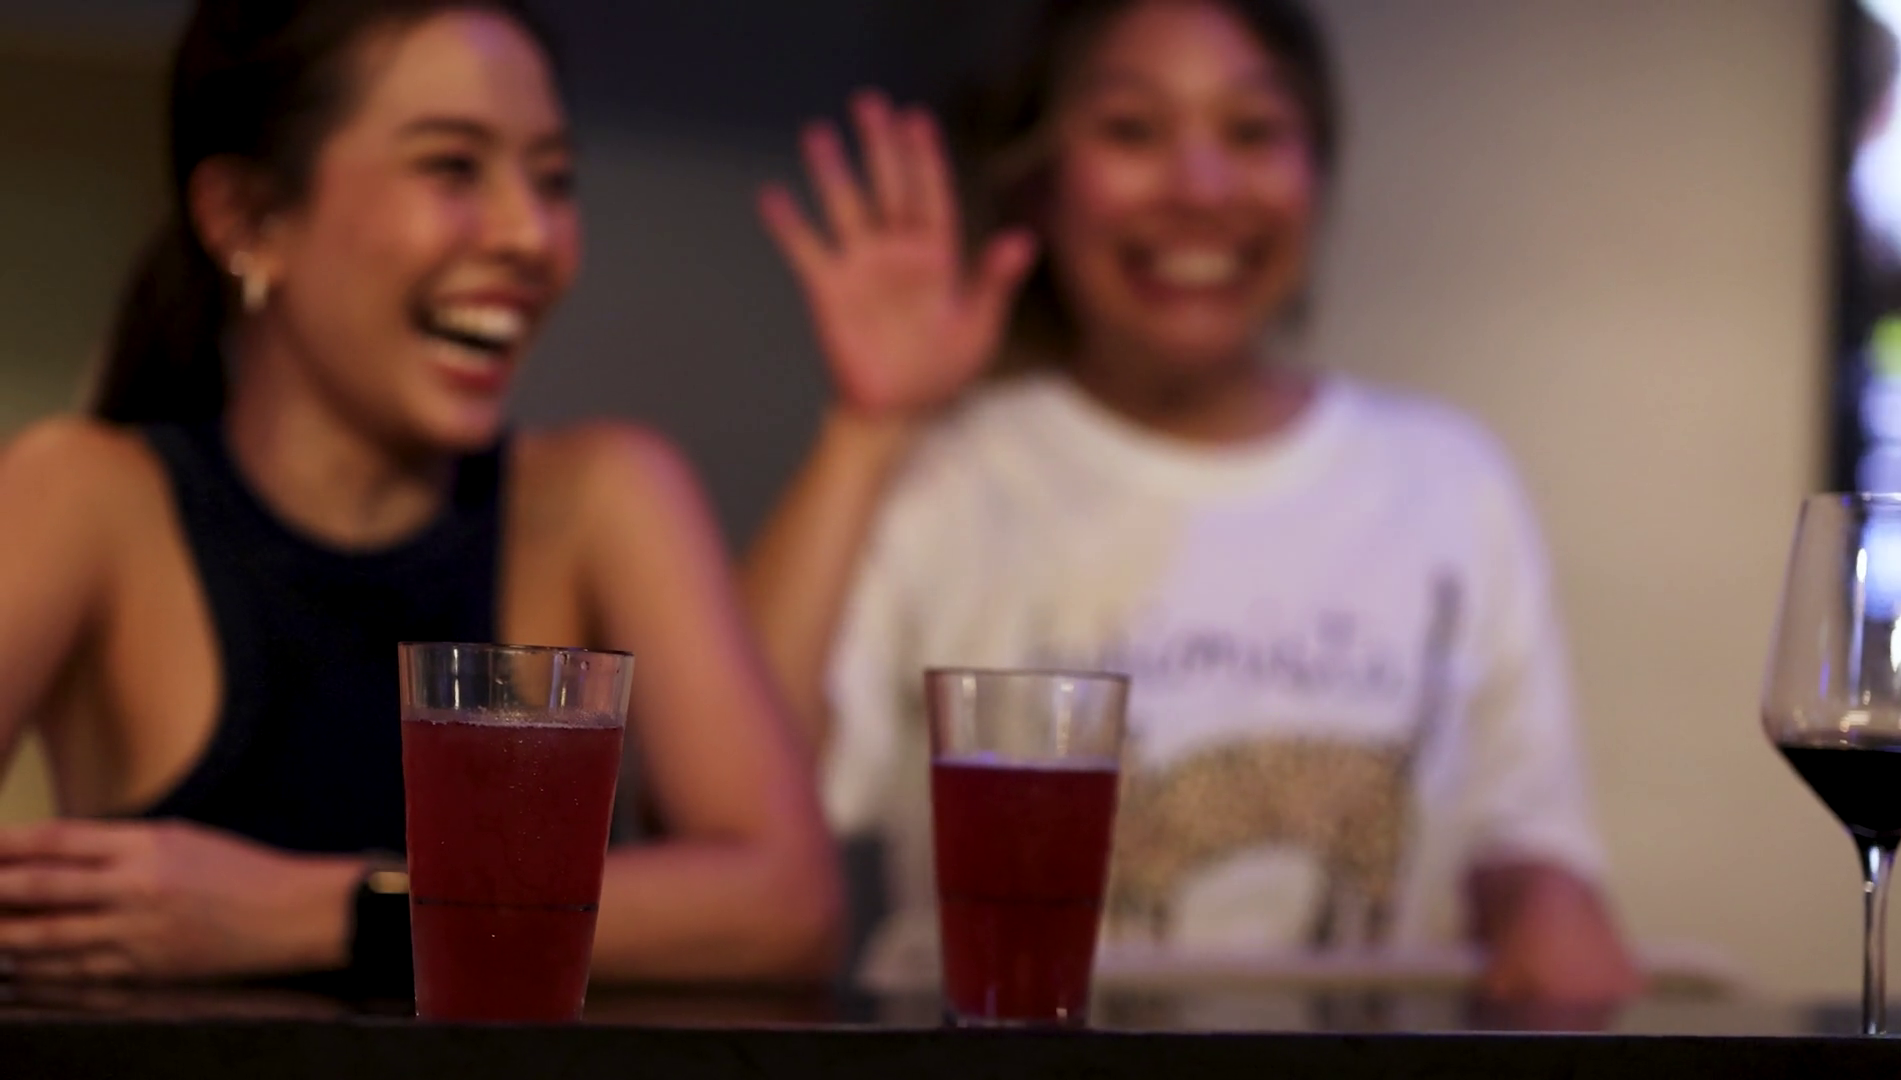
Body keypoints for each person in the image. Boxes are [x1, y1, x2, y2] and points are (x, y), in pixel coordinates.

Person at [743, 0, 1638, 1002]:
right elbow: (731, 816)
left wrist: (1548, 904)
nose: (1202, 188)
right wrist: (867, 432)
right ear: (1041, 180)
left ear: (1316, 172)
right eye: (1132, 130)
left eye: (1253, 132)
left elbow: (1527, 833)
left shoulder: (1449, 479)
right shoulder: (951, 478)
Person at [0, 0, 841, 985]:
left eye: (555, 180)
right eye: (453, 167)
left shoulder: (602, 495)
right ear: (247, 218)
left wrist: (323, 912)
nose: (531, 235)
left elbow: (786, 902)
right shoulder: (89, 493)